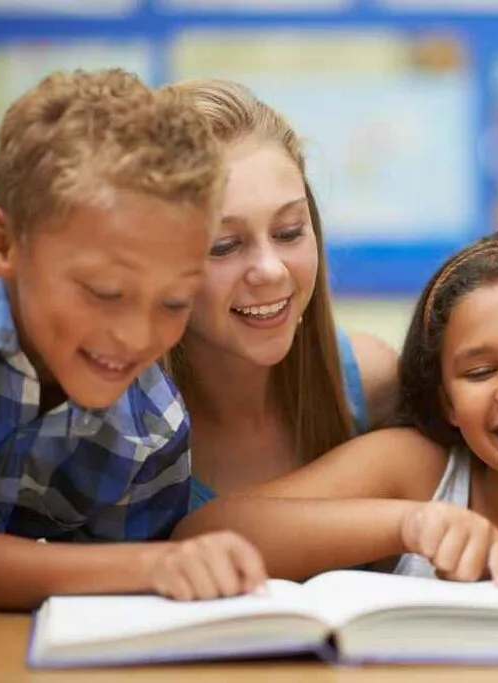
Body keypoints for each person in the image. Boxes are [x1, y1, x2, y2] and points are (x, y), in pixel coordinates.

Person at [0, 69, 264, 610]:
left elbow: (100, 614)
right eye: (104, 292)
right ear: (2, 243)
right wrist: (154, 566)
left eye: (173, 303)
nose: (135, 337)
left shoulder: (153, 430)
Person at [177, 231, 498, 582]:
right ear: (446, 400)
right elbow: (205, 536)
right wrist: (409, 524)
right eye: (480, 372)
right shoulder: (413, 470)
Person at [161, 80, 399, 507]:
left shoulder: (374, 384)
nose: (270, 270)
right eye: (224, 245)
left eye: (288, 232)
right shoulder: (109, 425)